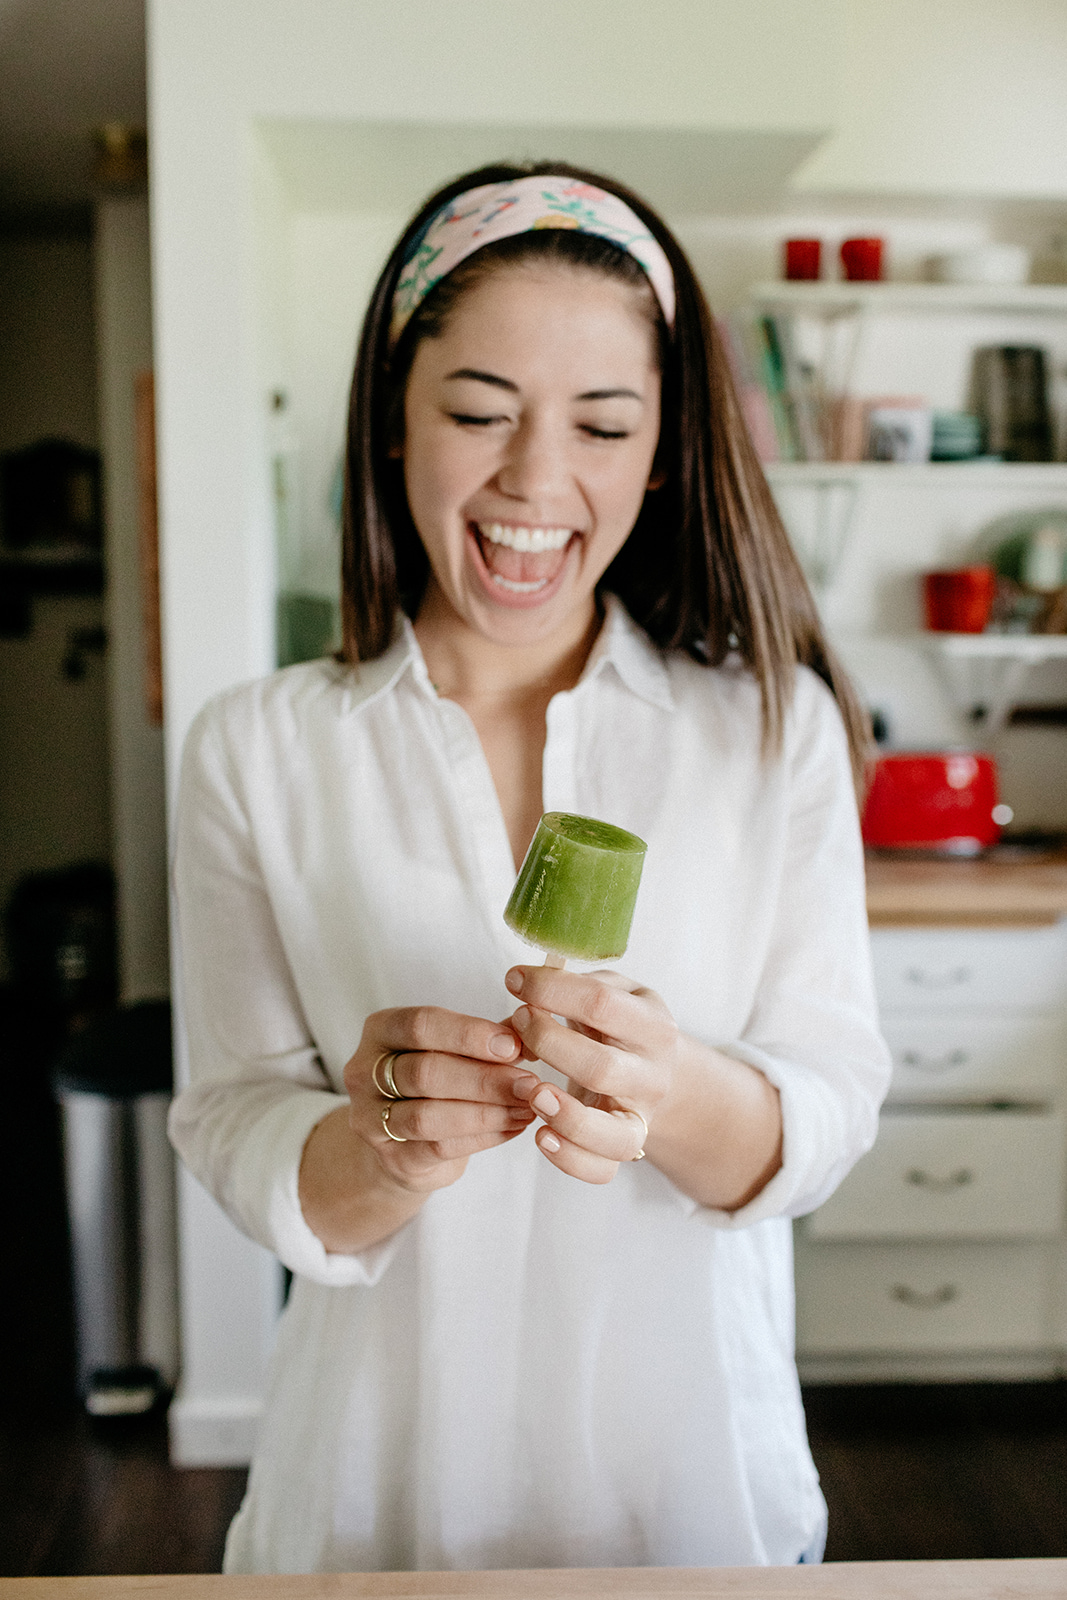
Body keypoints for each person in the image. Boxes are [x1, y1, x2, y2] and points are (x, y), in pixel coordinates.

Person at [169, 162, 890, 1575]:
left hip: (695, 1490)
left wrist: (669, 1090)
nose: (534, 482)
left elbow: (831, 1103)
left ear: (666, 451)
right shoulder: (257, 748)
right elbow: (230, 1119)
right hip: (376, 1491)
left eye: (603, 424)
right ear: (394, 422)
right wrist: (376, 1148)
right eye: (479, 412)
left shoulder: (767, 729)